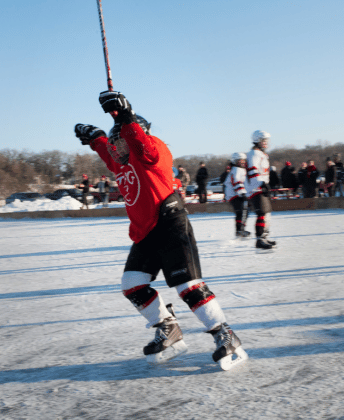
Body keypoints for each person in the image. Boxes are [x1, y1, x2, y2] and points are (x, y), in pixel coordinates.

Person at [74, 90, 248, 370]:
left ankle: (225, 334)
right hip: (145, 233)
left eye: (119, 142)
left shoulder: (153, 151)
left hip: (170, 224)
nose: (115, 149)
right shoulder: (121, 161)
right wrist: (94, 135)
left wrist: (126, 115)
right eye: (115, 144)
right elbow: (107, 150)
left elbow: (141, 144)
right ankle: (169, 328)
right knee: (132, 285)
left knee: (187, 286)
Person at [246, 130, 276, 251]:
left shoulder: (262, 154)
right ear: (257, 141)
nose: (266, 143)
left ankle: (264, 236)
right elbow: (253, 171)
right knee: (262, 213)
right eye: (264, 140)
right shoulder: (253, 154)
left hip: (262, 187)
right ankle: (259, 240)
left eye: (267, 140)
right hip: (255, 188)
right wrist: (261, 183)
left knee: (267, 213)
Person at [224, 153, 250, 238]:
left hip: (235, 193)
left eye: (243, 160)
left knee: (244, 211)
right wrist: (242, 193)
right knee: (241, 211)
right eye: (240, 160)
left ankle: (240, 230)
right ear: (235, 161)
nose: (242, 162)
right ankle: (240, 230)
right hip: (233, 194)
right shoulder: (236, 170)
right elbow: (236, 182)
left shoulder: (240, 169)